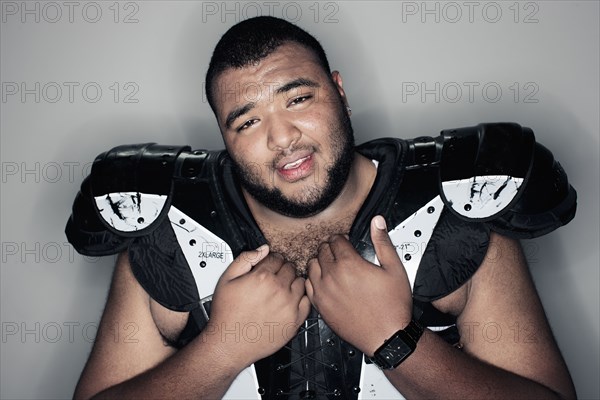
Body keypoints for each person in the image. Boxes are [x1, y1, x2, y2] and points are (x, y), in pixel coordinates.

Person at [66, 16, 577, 399]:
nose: (283, 138)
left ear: (339, 91)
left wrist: (394, 340)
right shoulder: (163, 225)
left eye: (298, 99)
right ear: (223, 137)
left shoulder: (457, 202)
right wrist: (222, 347)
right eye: (247, 123)